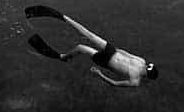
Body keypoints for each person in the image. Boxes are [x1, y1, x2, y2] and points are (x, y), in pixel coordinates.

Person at [25, 5, 158, 87]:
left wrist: (99, 74)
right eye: (148, 66)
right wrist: (113, 48)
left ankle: (63, 57)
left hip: (106, 62)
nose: (146, 66)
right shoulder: (142, 61)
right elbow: (126, 53)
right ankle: (64, 17)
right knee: (89, 34)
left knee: (80, 47)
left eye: (148, 69)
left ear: (147, 75)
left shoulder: (135, 81)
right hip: (111, 51)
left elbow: (115, 83)